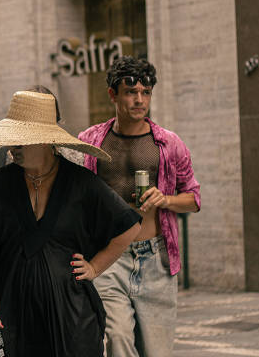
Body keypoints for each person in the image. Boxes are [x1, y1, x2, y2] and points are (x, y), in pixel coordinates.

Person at [0, 91, 142, 356]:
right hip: (9, 316)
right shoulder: (1, 183)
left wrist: (95, 267)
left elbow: (130, 226)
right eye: (11, 141)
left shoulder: (81, 182)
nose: (12, 148)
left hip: (71, 319)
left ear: (44, 140)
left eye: (20, 141)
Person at [78, 57, 201, 357]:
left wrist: (166, 199)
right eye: (131, 92)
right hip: (110, 257)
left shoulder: (169, 145)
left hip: (156, 259)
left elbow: (194, 198)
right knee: (118, 339)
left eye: (146, 92)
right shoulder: (90, 142)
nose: (139, 99)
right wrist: (1, 156)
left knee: (156, 352)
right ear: (113, 95)